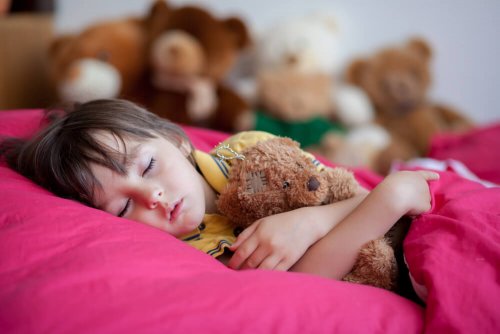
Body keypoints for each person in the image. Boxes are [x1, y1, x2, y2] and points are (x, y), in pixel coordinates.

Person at [0, 98, 438, 284]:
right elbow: (308, 278)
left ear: (175, 140)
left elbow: (344, 190)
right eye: (121, 209)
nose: (151, 197)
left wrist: (309, 220)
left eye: (149, 166)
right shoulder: (197, 248)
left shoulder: (249, 148)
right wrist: (391, 199)